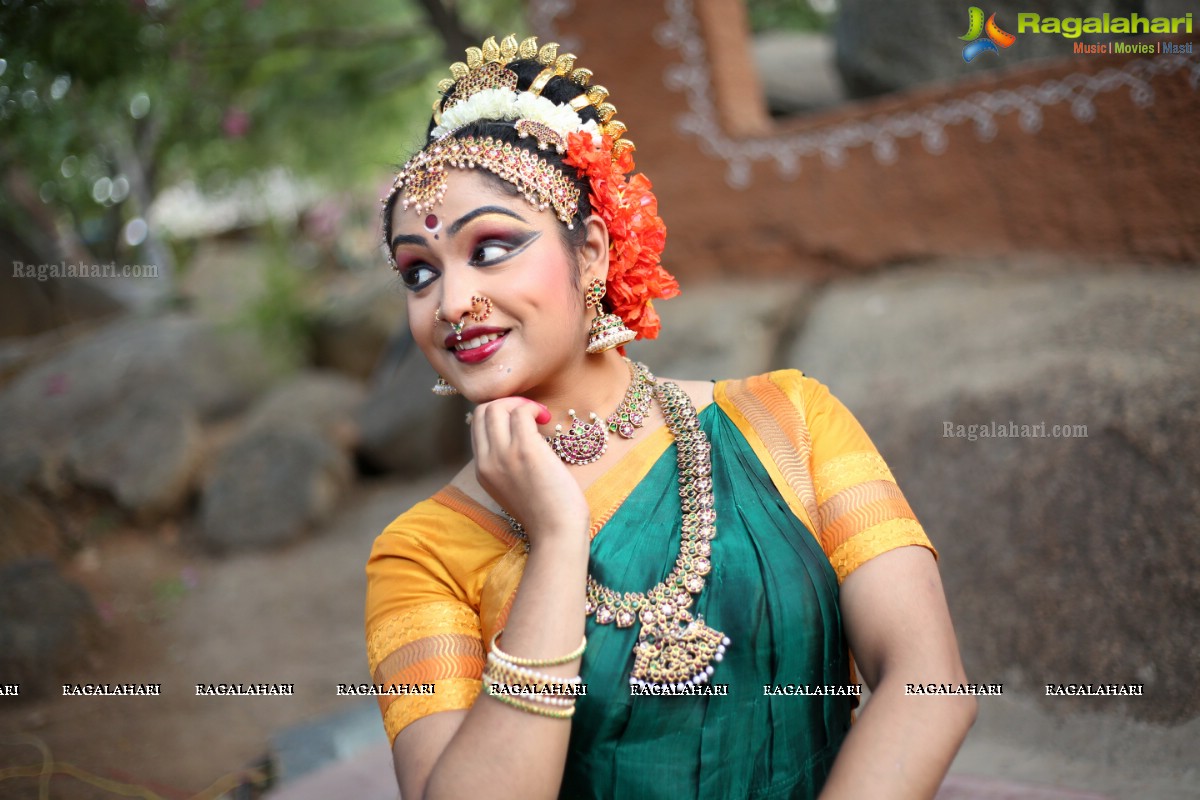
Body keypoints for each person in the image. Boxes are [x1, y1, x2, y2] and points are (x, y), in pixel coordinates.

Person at [365, 34, 975, 800]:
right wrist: (556, 540)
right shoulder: (421, 555)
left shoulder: (789, 420)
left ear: (590, 253)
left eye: (489, 248)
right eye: (419, 271)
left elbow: (928, 686)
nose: (451, 303)